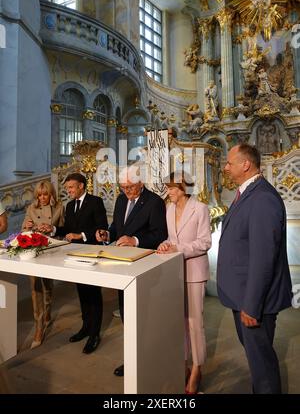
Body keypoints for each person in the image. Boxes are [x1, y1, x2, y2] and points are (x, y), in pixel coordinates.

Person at [217, 144, 292, 394]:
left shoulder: (262, 198)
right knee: (257, 360)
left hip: (253, 301)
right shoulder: (247, 193)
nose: (225, 167)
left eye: (229, 163)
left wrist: (251, 304)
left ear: (245, 164)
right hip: (243, 294)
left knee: (262, 366)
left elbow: (263, 258)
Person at [96, 164, 168, 376]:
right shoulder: (120, 199)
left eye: (130, 187)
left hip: (144, 267)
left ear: (141, 183)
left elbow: (159, 235)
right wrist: (107, 234)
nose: (126, 192)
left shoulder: (154, 202)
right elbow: (118, 229)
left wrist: (135, 239)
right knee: (128, 315)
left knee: (143, 317)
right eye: (123, 187)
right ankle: (132, 358)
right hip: (122, 266)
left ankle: (146, 358)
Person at [157, 172, 211, 394]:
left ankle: (197, 370)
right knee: (179, 324)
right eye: (168, 188)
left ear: (184, 188)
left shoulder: (200, 209)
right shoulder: (169, 209)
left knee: (194, 324)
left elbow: (205, 242)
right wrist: (164, 245)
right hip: (175, 273)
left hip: (195, 272)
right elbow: (172, 239)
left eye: (171, 188)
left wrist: (178, 249)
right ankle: (185, 364)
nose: (168, 192)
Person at [44, 173, 108, 354]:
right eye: (67, 188)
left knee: (93, 294)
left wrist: (82, 236)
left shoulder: (95, 202)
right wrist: (54, 229)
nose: (68, 191)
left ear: (81, 186)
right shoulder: (70, 206)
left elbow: (101, 227)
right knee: (82, 292)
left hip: (92, 253)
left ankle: (95, 334)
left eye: (71, 187)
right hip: (74, 255)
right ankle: (85, 327)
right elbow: (69, 230)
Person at [22, 181, 65, 348]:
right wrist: (27, 227)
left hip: (51, 250)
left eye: (45, 194)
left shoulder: (60, 207)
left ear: (51, 194)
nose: (42, 198)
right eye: (39, 195)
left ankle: (47, 313)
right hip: (34, 251)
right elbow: (23, 231)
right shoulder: (31, 208)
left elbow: (63, 230)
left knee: (48, 286)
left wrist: (52, 229)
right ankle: (39, 326)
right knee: (35, 288)